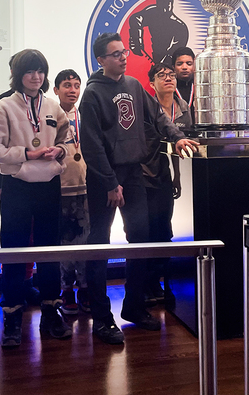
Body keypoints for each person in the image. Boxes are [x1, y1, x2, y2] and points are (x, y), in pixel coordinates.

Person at [80, 33, 197, 344]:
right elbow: (91, 146)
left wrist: (176, 137)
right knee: (99, 246)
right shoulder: (91, 94)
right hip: (104, 177)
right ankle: (102, 319)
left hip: (133, 173)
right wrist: (109, 183)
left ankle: (133, 306)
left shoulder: (133, 85)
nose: (122, 57)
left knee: (141, 239)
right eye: (115, 54)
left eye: (123, 52)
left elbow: (158, 116)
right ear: (101, 60)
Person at [0, 49, 72, 348]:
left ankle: (50, 310)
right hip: (17, 187)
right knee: (13, 252)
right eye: (30, 71)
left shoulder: (52, 106)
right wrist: (27, 154)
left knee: (50, 250)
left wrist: (59, 151)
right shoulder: (4, 106)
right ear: (18, 75)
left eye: (40, 71)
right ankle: (12, 317)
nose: (36, 77)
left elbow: (67, 139)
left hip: (48, 184)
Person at [143, 62, 193, 305]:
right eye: (161, 76)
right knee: (147, 230)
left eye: (171, 75)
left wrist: (178, 178)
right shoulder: (145, 108)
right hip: (146, 176)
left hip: (170, 176)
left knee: (165, 229)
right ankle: (147, 283)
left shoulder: (185, 110)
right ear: (151, 83)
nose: (168, 79)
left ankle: (164, 282)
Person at [52, 68, 90, 316]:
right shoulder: (49, 115)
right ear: (56, 89)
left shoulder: (85, 115)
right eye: (67, 85)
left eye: (76, 85)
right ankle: (66, 290)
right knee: (64, 241)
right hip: (60, 187)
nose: (72, 90)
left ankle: (85, 288)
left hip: (85, 186)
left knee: (85, 240)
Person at [128, 0, 189, 66]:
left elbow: (174, 53)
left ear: (171, 6)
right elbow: (135, 18)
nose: (164, 10)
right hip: (154, 53)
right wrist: (136, 40)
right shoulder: (152, 14)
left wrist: (161, 65)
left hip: (168, 61)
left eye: (167, 6)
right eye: (162, 6)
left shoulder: (180, 27)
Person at [172, 46, 195, 121]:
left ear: (195, 66)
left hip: (199, 131)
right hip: (175, 131)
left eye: (189, 64)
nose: (184, 67)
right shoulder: (169, 88)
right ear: (173, 68)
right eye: (179, 64)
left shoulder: (201, 88)